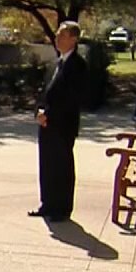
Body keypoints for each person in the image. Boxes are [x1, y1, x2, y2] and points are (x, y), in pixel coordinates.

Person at [28, 21, 87, 223]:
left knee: (62, 167)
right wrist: (39, 111)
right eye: (57, 35)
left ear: (74, 38)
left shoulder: (77, 65)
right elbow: (44, 93)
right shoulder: (55, 64)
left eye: (62, 35)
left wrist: (50, 115)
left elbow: (71, 98)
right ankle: (48, 203)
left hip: (62, 125)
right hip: (46, 124)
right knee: (47, 165)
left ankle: (61, 208)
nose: (57, 39)